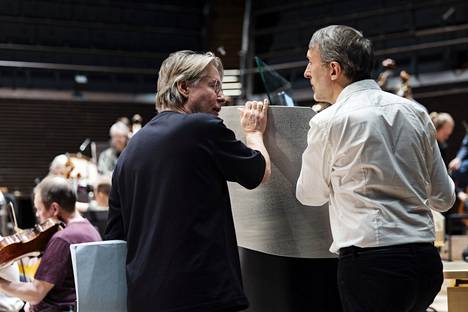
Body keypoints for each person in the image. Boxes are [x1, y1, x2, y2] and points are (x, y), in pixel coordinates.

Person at [296, 25, 455, 312]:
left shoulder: (328, 122)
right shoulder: (415, 112)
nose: (307, 72)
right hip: (425, 264)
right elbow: (444, 198)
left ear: (333, 70)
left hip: (373, 267)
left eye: (310, 62)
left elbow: (309, 194)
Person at [105, 50, 271, 312]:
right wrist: (253, 133)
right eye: (213, 85)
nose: (222, 96)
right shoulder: (201, 128)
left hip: (143, 299)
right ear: (183, 87)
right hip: (199, 295)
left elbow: (115, 236)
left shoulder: (129, 151)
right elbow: (258, 172)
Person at [0, 176, 101, 312]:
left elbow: (35, 293)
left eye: (39, 209)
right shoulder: (91, 230)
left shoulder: (63, 238)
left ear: (54, 208)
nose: (38, 215)